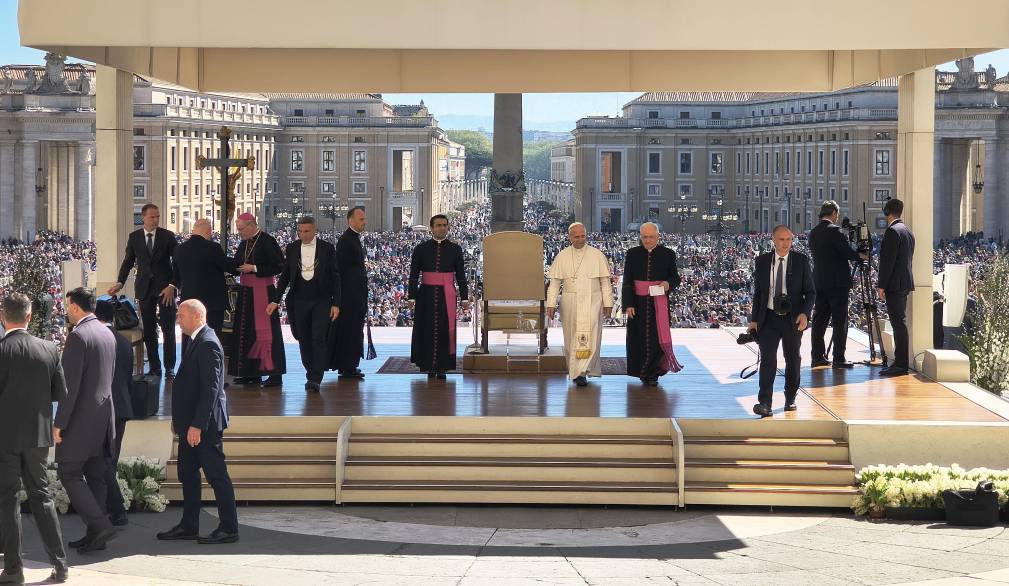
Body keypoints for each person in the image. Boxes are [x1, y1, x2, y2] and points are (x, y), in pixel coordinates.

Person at [157, 300, 238, 545]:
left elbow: (211, 390)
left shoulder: (208, 343)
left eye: (181, 316)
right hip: (190, 424)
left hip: (204, 427)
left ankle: (228, 527)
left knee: (216, 475)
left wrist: (197, 425)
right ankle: (189, 525)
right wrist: (180, 421)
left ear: (196, 316)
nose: (178, 320)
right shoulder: (197, 340)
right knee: (187, 473)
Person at [0, 293, 69, 584]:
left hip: (4, 437)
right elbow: (61, 394)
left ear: (3, 317)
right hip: (38, 436)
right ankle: (60, 564)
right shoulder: (49, 349)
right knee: (42, 497)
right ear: (29, 317)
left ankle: (14, 570)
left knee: (8, 501)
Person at [55, 287, 118, 554]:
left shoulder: (79, 336)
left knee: (68, 472)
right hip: (104, 418)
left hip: (81, 420)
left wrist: (60, 423)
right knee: (95, 476)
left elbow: (70, 387)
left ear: (77, 307)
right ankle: (95, 536)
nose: (67, 310)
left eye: (68, 306)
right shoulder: (107, 332)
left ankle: (100, 525)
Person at [747, 226, 815, 417]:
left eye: (789, 240)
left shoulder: (801, 261)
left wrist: (805, 313)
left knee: (792, 359)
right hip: (768, 318)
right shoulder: (761, 261)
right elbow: (759, 293)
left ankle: (790, 397)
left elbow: (810, 292)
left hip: (792, 320)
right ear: (773, 240)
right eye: (781, 239)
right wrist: (754, 320)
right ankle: (765, 402)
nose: (785, 243)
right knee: (768, 359)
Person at [269, 217, 341, 392]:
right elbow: (285, 276)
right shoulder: (292, 248)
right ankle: (310, 371)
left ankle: (315, 378)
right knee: (303, 338)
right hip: (299, 300)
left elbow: (335, 277)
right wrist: (275, 300)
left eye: (306, 231)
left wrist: (336, 303)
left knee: (318, 338)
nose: (303, 234)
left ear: (314, 230)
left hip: (321, 300)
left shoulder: (327, 249)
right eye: (300, 231)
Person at [108, 203, 178, 379]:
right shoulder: (134, 237)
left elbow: (178, 263)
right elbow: (128, 262)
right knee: (149, 329)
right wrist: (119, 282)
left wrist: (173, 286)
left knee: (168, 328)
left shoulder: (168, 236)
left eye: (158, 216)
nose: (156, 219)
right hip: (144, 288)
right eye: (152, 216)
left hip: (165, 290)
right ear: (143, 218)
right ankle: (155, 367)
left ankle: (170, 367)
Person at [546, 222, 613, 387]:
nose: (580, 239)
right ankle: (576, 371)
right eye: (576, 236)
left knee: (593, 336)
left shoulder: (597, 255)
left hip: (593, 300)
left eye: (583, 236)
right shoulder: (562, 256)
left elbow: (605, 282)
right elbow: (554, 284)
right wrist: (551, 304)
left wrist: (608, 303)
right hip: (570, 301)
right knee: (571, 336)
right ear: (570, 237)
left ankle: (586, 369)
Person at [228, 213, 285, 388]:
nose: (240, 233)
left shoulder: (267, 241)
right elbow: (237, 264)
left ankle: (274, 375)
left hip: (264, 292)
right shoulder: (244, 243)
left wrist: (254, 268)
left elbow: (279, 266)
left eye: (241, 229)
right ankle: (250, 373)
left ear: (252, 225)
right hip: (246, 293)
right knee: (246, 331)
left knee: (267, 332)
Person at [408, 214, 469, 379]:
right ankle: (428, 365)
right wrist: (411, 297)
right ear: (432, 228)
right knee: (426, 329)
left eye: (444, 225)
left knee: (444, 330)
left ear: (448, 227)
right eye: (438, 225)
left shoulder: (455, 249)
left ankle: (442, 367)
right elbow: (413, 275)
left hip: (447, 295)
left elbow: (461, 276)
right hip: (425, 295)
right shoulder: (421, 249)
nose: (442, 228)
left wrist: (464, 297)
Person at [808, 201, 867, 369]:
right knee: (840, 321)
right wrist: (860, 256)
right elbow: (845, 252)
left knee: (819, 322)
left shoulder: (813, 232)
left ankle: (817, 357)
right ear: (834, 213)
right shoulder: (835, 231)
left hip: (819, 282)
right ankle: (838, 358)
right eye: (837, 214)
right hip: (837, 283)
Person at [622, 222, 682, 386]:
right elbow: (627, 281)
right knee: (638, 337)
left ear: (658, 237)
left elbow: (675, 277)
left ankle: (653, 372)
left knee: (656, 339)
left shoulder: (668, 254)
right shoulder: (632, 253)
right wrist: (628, 304)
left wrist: (668, 284)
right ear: (640, 237)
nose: (647, 240)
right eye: (644, 237)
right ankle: (640, 370)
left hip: (659, 303)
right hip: (638, 303)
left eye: (651, 237)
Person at [94, 299, 134, 528]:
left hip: (103, 409)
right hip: (122, 408)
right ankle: (110, 508)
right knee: (111, 459)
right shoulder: (125, 342)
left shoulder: (97, 341)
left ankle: (116, 510)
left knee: (104, 461)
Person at [173, 218, 240, 338]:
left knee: (189, 339)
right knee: (210, 338)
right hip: (212, 304)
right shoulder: (213, 248)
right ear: (208, 230)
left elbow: (176, 276)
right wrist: (241, 262)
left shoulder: (180, 249)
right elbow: (230, 267)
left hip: (189, 303)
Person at [877, 198, 916, 377]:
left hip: (894, 284)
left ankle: (900, 364)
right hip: (905, 282)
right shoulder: (908, 231)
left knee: (898, 323)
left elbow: (888, 262)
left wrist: (881, 285)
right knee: (900, 322)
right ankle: (901, 363)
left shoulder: (892, 231)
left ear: (887, 212)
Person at [332, 207, 369, 379]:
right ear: (350, 221)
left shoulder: (353, 238)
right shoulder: (346, 241)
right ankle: (347, 367)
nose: (364, 222)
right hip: (349, 296)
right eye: (361, 219)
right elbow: (341, 270)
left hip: (356, 295)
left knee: (354, 330)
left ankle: (350, 365)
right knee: (349, 331)